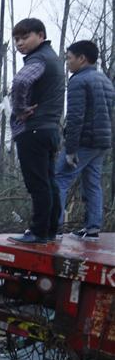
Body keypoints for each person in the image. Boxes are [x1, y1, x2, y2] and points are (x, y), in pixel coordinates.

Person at [9, 18, 66, 244]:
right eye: (16, 39)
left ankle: (38, 231)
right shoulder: (53, 58)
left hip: (34, 130)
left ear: (40, 35)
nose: (20, 43)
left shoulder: (39, 58)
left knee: (38, 183)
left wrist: (20, 109)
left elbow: (21, 81)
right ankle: (51, 229)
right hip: (50, 129)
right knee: (49, 180)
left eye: (25, 37)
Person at [54, 40, 115, 241]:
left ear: (82, 58)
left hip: (84, 142)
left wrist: (70, 149)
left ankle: (53, 227)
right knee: (92, 183)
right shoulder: (104, 80)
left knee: (59, 179)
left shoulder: (79, 81)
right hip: (101, 142)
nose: (67, 63)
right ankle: (92, 229)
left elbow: (75, 117)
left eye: (70, 58)